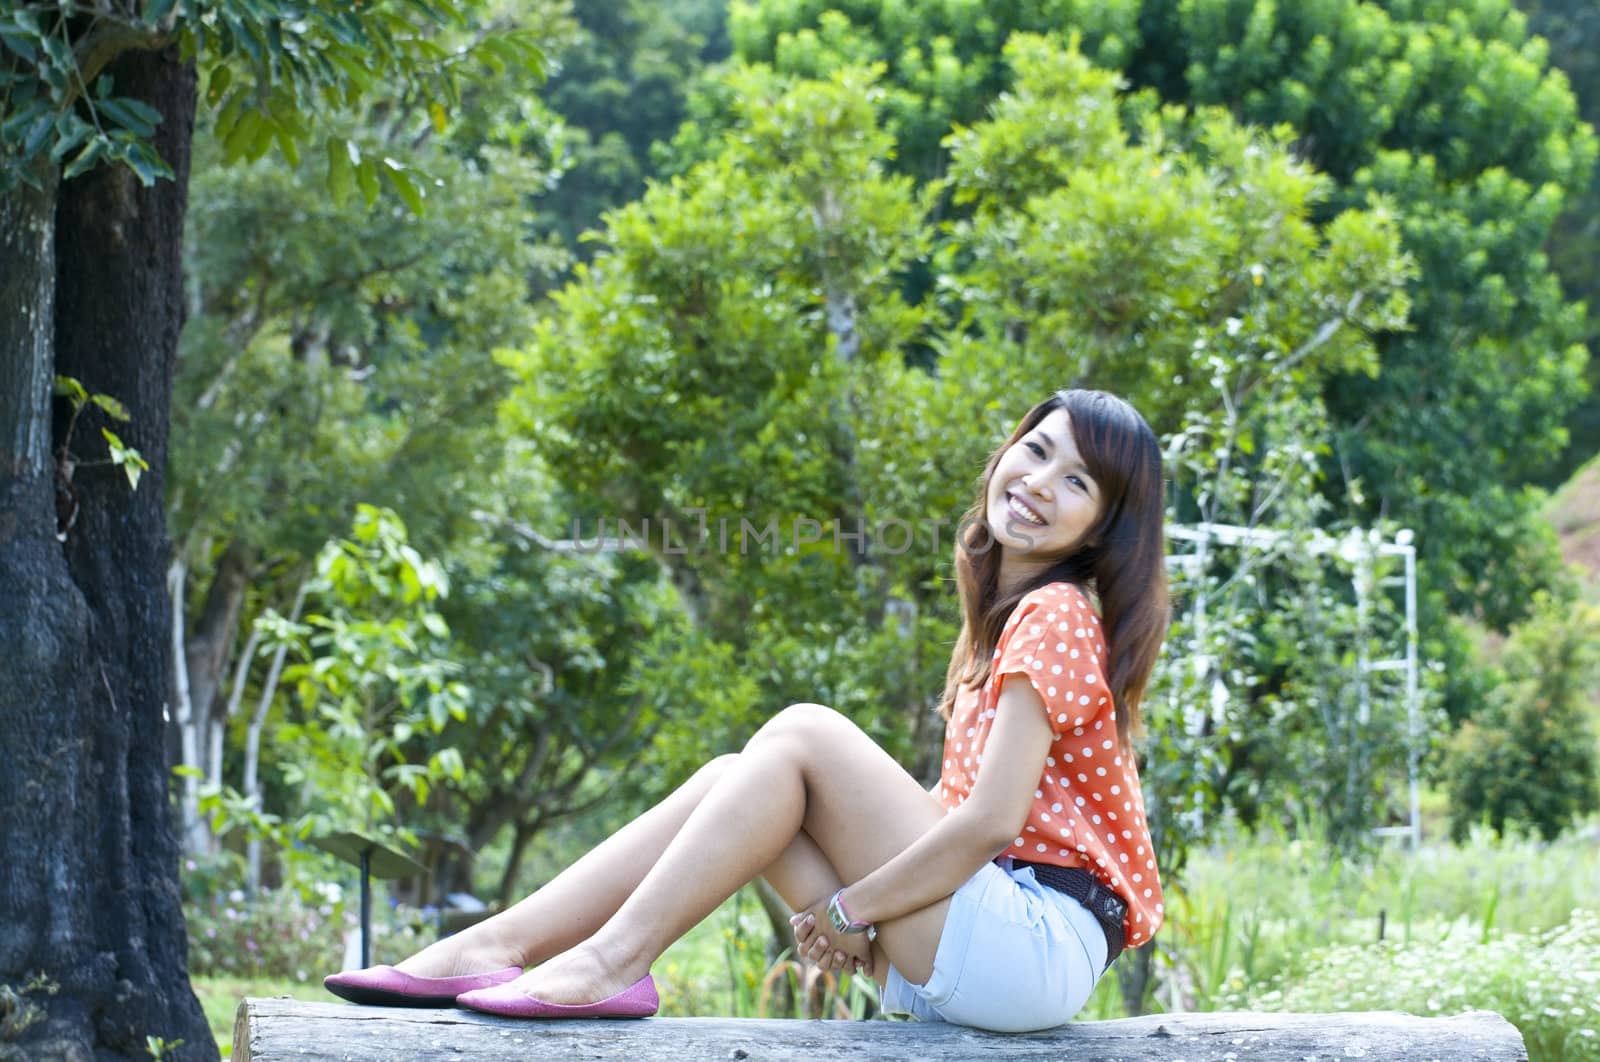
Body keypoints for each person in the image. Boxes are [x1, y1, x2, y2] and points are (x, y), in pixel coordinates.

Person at [324, 388, 1169, 1031]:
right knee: (738, 781)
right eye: (1036, 449)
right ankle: (495, 946)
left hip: (1030, 945)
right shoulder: (1006, 618)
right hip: (975, 950)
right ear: (1006, 451)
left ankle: (614, 960)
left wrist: (848, 909)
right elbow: (960, 823)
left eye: (1077, 480)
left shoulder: (1058, 613)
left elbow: (988, 824)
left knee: (803, 733)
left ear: (1105, 526)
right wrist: (850, 914)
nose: (1037, 482)